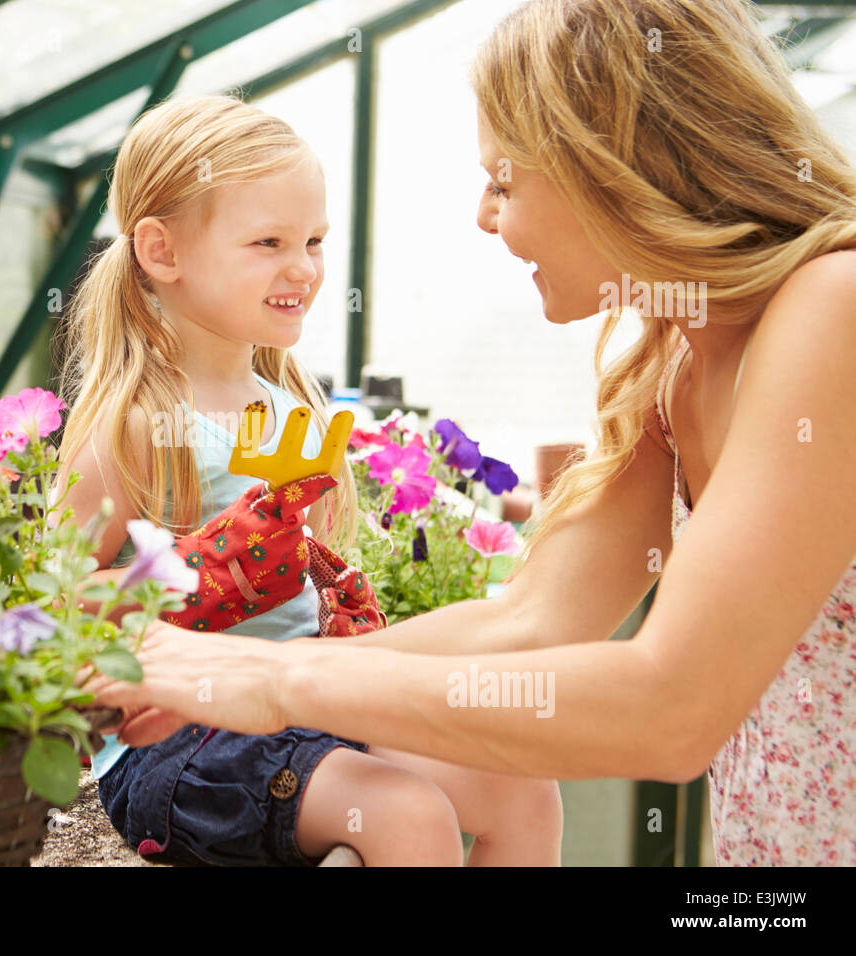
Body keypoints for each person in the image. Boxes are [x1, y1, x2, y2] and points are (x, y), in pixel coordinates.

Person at [86, 0, 856, 867]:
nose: (486, 218)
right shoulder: (673, 367)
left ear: (610, 166)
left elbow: (671, 709)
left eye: (504, 180)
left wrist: (266, 680)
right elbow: (527, 625)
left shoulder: (835, 306)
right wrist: (210, 688)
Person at [57, 93, 563, 866]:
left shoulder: (293, 406)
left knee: (522, 787)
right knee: (407, 817)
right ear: (162, 252)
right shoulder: (134, 424)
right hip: (181, 743)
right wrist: (186, 597)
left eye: (316, 240)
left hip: (305, 700)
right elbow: (61, 607)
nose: (305, 267)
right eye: (268, 241)